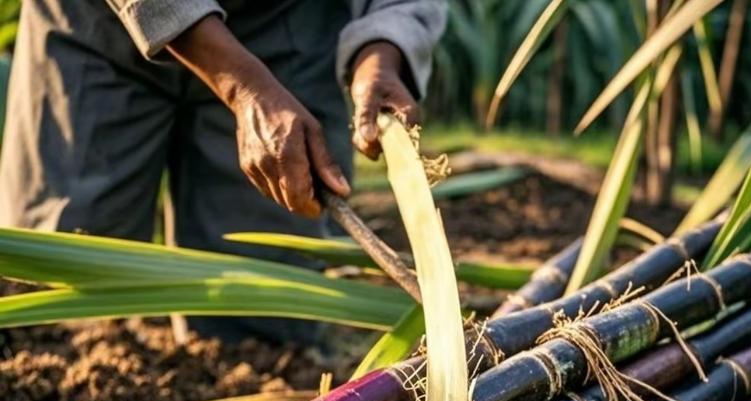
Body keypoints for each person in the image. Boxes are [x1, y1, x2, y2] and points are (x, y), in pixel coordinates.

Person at [0, 0, 446, 339]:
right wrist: (242, 83)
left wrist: (384, 48)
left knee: (264, 312)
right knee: (64, 299)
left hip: (286, 25)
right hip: (96, 29)